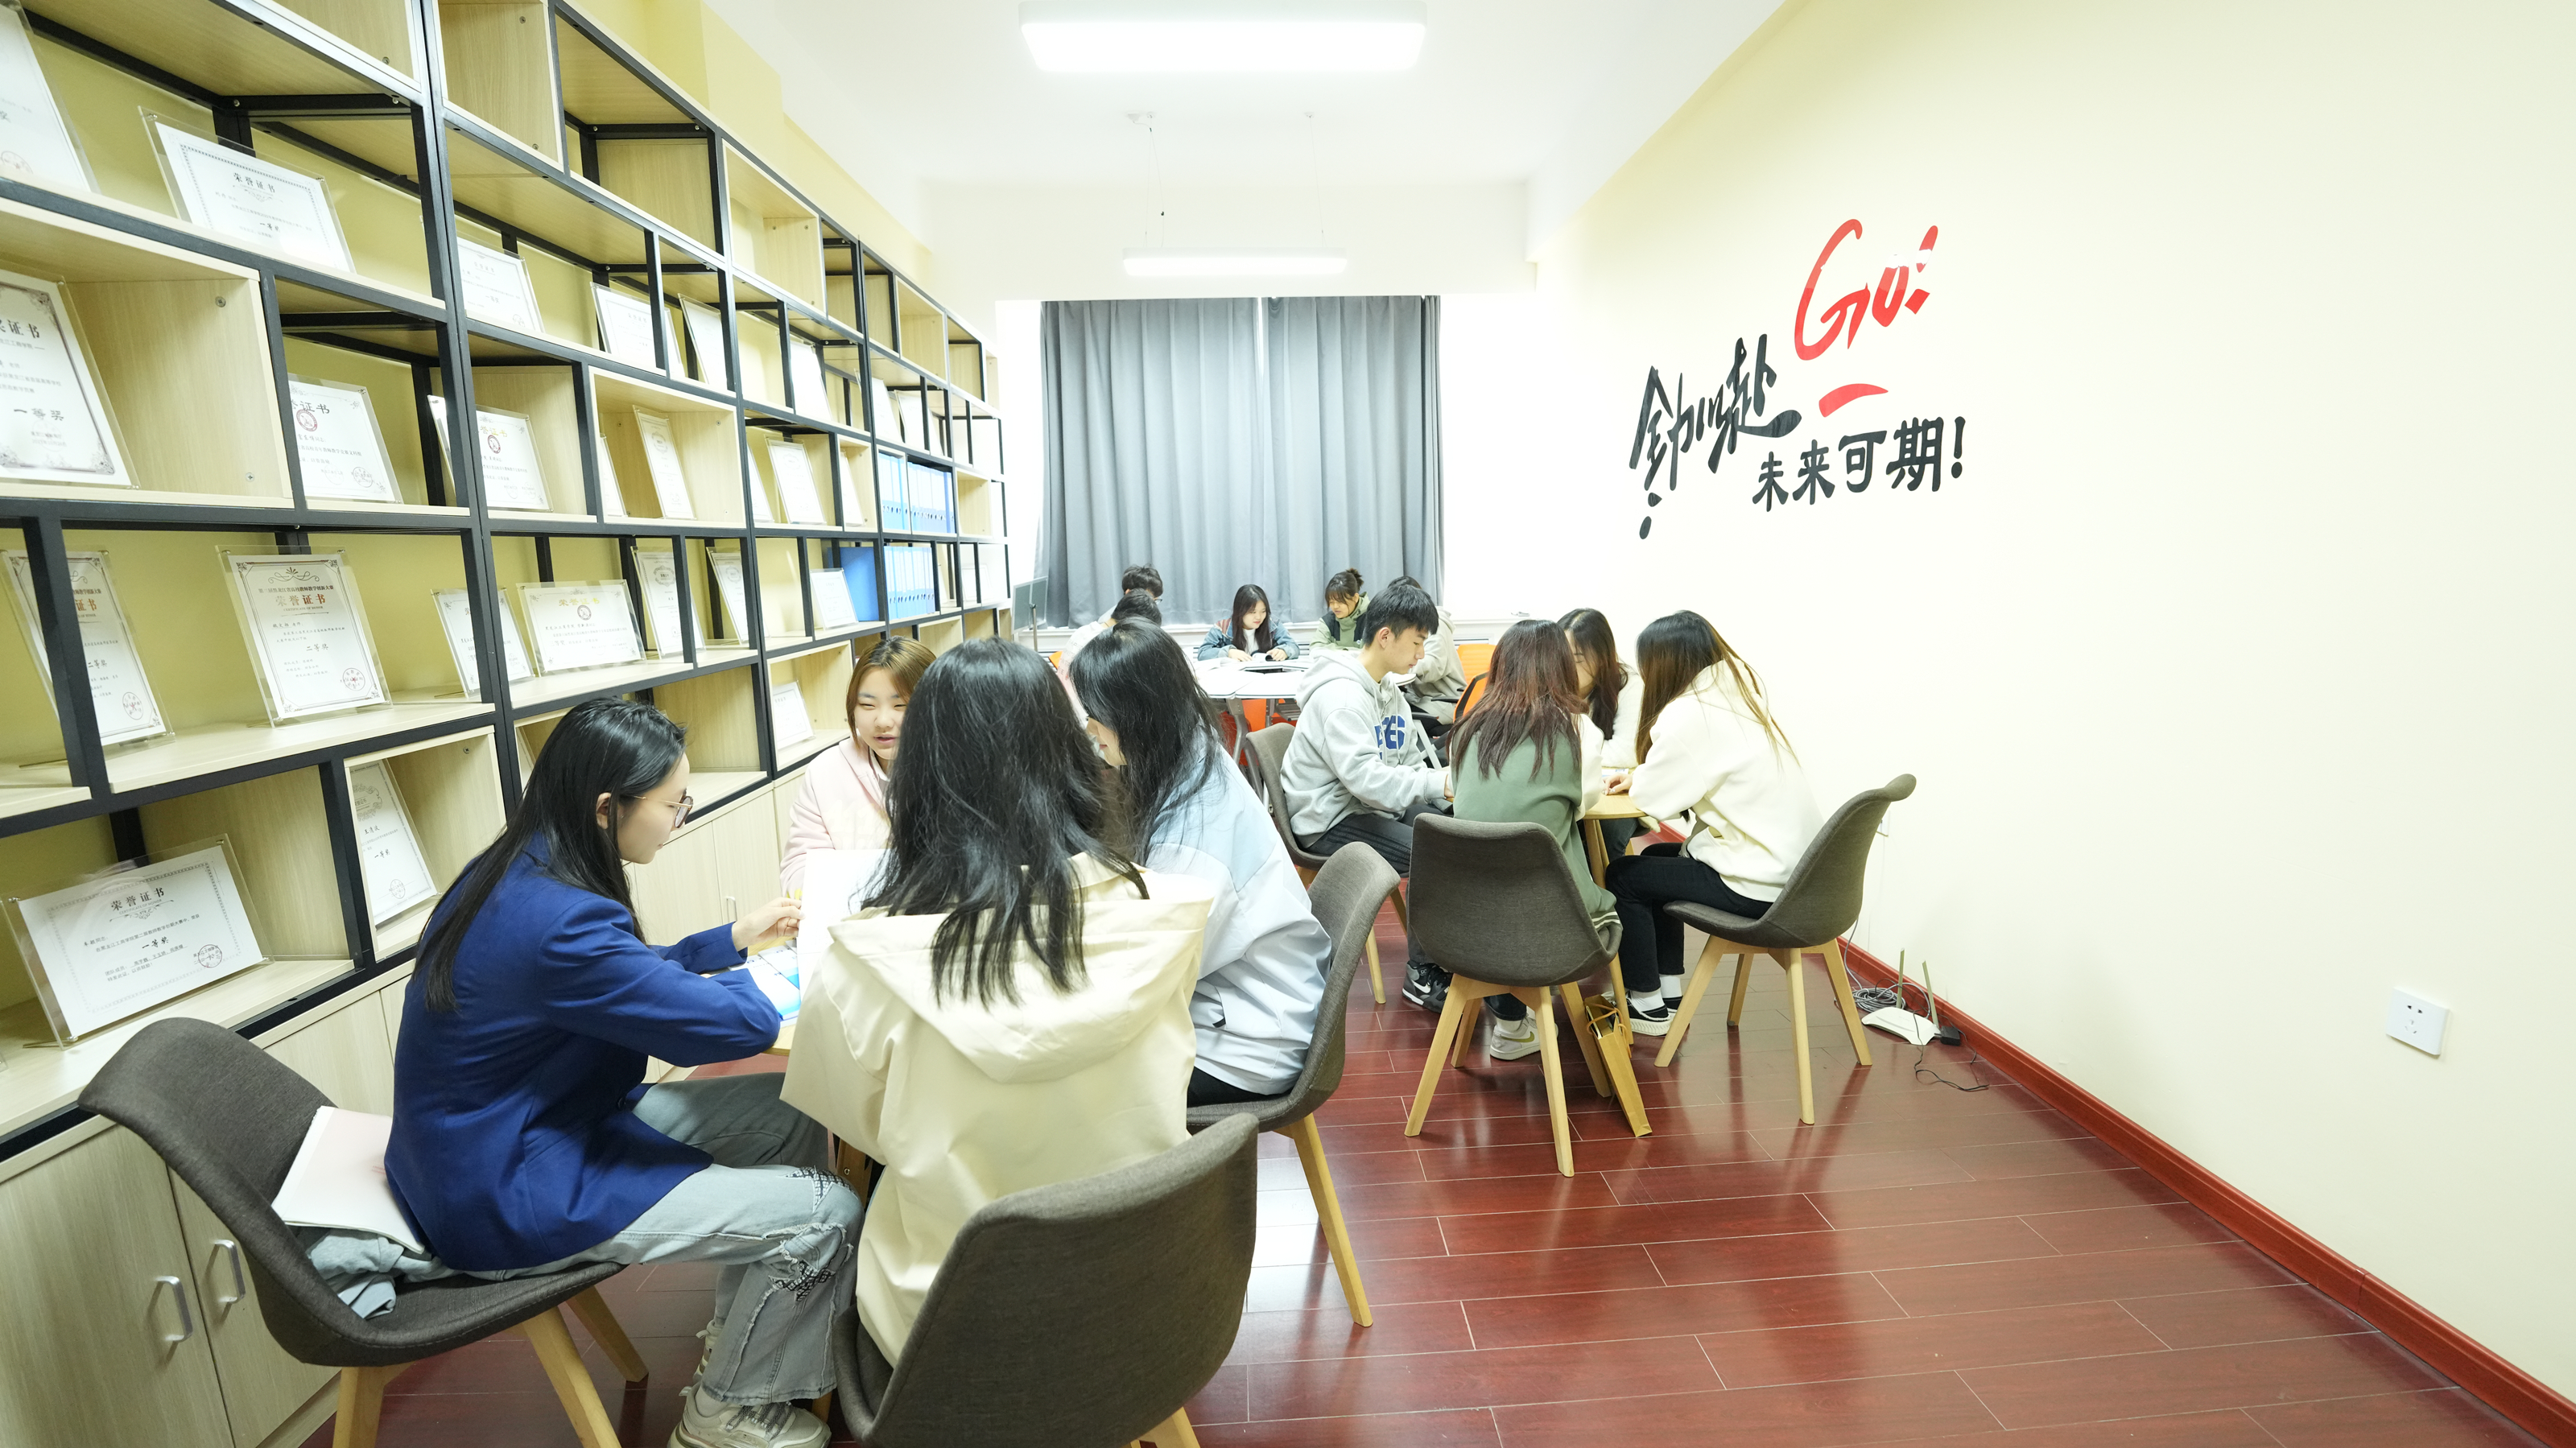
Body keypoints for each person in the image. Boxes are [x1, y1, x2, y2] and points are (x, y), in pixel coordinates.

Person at [387, 697, 850, 1448]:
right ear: (608, 808)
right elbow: (729, 1027)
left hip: (512, 1134)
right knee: (828, 1213)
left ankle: (748, 1341)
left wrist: (729, 941)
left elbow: (614, 978)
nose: (679, 820)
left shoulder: (519, 865)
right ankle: (726, 1414)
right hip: (508, 1185)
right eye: (673, 804)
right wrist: (793, 971)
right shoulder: (560, 920)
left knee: (789, 1105)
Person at [781, 640, 1216, 1367]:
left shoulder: (865, 961)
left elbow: (856, 1126)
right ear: (1071, 753)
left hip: (953, 1327)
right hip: (1144, 1294)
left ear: (921, 775)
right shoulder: (1169, 913)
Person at [1074, 621, 1332, 1104]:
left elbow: (1158, 971)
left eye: (1095, 715)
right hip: (1242, 996)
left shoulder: (1193, 835)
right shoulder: (1188, 750)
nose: (1089, 729)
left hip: (1247, 1043)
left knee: (1069, 1082)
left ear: (1136, 716)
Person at [1605, 612, 1822, 1035]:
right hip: (1798, 876)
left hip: (1759, 885)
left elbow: (1655, 800)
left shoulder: (1689, 713)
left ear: (1662, 664)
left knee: (1624, 876)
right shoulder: (1740, 699)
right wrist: (1644, 775)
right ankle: (1668, 990)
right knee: (1659, 856)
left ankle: (1645, 1004)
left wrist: (1640, 779)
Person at [1444, 620, 1616, 1060]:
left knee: (1500, 869)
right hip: (1549, 925)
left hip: (1462, 922)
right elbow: (1582, 805)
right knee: (1571, 882)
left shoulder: (1466, 731)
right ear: (1561, 667)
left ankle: (1510, 1024)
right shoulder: (1579, 731)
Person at [1278, 580, 1451, 1009]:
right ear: (1385, 636)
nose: (1421, 655)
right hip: (1328, 819)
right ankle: (1422, 974)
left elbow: (1406, 759)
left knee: (1450, 832)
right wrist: (1437, 784)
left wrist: (1443, 790)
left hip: (1365, 806)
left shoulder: (1389, 691)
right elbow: (1369, 782)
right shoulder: (1342, 697)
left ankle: (1452, 952)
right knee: (1434, 853)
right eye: (1417, 642)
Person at [779, 635, 935, 893]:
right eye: (867, 705)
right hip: (850, 911)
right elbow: (799, 867)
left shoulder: (959, 768)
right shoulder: (826, 772)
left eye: (901, 705)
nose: (882, 721)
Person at [1560, 607, 1645, 856]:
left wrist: (1568, 753)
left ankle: (1607, 882)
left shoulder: (1628, 684)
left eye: (1577, 658)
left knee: (1609, 833)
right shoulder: (1549, 684)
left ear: (1602, 657)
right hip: (1565, 785)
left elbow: (1626, 753)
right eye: (1561, 657)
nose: (1566, 667)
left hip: (1614, 791)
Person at [1387, 574, 1463, 726]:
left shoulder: (1437, 625)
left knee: (1392, 717)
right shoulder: (1411, 625)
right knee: (1386, 707)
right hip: (1422, 697)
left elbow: (1434, 666)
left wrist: (1397, 664)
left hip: (1444, 701)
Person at [1059, 563, 1162, 674]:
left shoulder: (1087, 630)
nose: (1152, 606)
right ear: (1129, 593)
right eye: (1149, 599)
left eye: (1155, 601)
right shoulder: (1107, 639)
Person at [1199, 583, 1300, 662]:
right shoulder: (1222, 627)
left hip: (1267, 676)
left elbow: (1294, 647)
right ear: (1240, 611)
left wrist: (1284, 651)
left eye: (1263, 611)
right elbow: (1203, 654)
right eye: (1253, 612)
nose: (1259, 617)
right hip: (1234, 677)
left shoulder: (1273, 624)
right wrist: (1229, 652)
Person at [1312, 568, 1368, 650]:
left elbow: (1373, 652)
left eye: (1340, 602)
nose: (1335, 607)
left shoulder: (1372, 619)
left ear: (1355, 598)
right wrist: (1347, 652)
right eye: (1331, 602)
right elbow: (1315, 647)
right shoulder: (1328, 621)